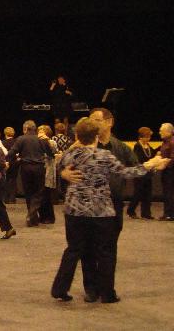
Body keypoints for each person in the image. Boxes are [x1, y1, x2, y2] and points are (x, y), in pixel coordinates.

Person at [51, 118, 168, 303]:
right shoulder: (104, 156)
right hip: (101, 211)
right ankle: (107, 293)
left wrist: (64, 172)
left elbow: (58, 163)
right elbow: (127, 172)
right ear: (97, 137)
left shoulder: (71, 154)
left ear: (77, 136)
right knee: (105, 251)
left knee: (73, 249)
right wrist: (150, 165)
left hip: (74, 210)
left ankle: (60, 289)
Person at [61, 107, 138, 302]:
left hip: (112, 206)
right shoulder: (79, 146)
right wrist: (64, 173)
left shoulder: (121, 148)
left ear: (109, 122)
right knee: (86, 250)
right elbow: (61, 164)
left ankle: (106, 289)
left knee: (108, 249)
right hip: (85, 208)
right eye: (91, 119)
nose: (93, 123)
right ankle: (91, 289)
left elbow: (133, 168)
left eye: (97, 119)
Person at [6, 120, 54, 227]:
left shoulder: (21, 139)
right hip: (39, 168)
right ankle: (32, 215)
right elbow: (50, 154)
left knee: (28, 193)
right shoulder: (41, 139)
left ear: (25, 129)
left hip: (25, 168)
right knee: (39, 192)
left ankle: (32, 219)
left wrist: (14, 160)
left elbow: (11, 153)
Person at [127, 127, 156, 219]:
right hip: (140, 173)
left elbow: (152, 155)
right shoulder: (137, 146)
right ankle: (131, 211)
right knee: (138, 193)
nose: (148, 139)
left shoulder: (148, 146)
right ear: (141, 137)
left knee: (148, 194)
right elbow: (136, 160)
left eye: (149, 137)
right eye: (147, 137)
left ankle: (146, 214)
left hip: (148, 173)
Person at [38, 125, 60, 224]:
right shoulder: (37, 142)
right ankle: (42, 216)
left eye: (41, 131)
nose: (39, 133)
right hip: (41, 170)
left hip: (48, 171)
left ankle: (50, 217)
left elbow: (53, 152)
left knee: (47, 195)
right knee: (41, 195)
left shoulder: (51, 142)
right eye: (38, 131)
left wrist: (46, 140)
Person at [158, 123, 174, 220]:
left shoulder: (172, 142)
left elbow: (173, 158)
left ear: (168, 132)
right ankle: (168, 213)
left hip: (170, 172)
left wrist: (164, 164)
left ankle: (170, 214)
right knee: (167, 193)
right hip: (166, 171)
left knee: (169, 193)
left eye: (161, 131)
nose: (159, 132)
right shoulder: (165, 142)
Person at [2, 127, 18, 204]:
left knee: (6, 179)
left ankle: (6, 198)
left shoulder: (2, 143)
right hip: (15, 162)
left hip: (6, 162)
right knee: (13, 180)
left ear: (5, 133)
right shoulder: (16, 142)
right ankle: (12, 198)